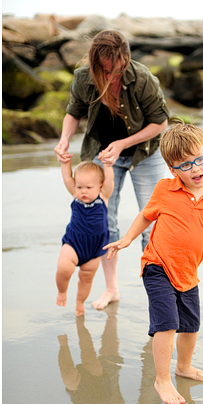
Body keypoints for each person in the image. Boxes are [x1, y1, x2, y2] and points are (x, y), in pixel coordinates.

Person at [105, 122, 203, 404]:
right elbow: (146, 215)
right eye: (185, 164)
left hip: (189, 274)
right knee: (167, 324)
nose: (195, 168)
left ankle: (183, 367)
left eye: (200, 159)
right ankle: (162, 379)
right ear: (172, 169)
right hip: (157, 266)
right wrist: (128, 238)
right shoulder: (165, 189)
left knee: (190, 326)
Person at [54, 29, 169, 311]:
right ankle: (112, 289)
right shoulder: (83, 77)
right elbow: (74, 111)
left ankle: (157, 292)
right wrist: (64, 139)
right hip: (103, 155)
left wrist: (123, 143)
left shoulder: (143, 78)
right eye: (104, 71)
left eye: (116, 71)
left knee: (152, 223)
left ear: (125, 60)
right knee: (107, 224)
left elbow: (160, 123)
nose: (110, 77)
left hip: (145, 152)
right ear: (95, 64)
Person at [56, 157, 115, 315]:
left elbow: (109, 181)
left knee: (87, 277)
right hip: (74, 242)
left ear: (100, 186)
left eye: (88, 187)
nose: (83, 191)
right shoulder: (76, 197)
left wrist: (107, 166)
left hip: (95, 247)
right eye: (80, 186)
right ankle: (62, 292)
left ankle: (79, 303)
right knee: (64, 268)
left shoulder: (103, 197)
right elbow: (68, 178)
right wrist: (65, 163)